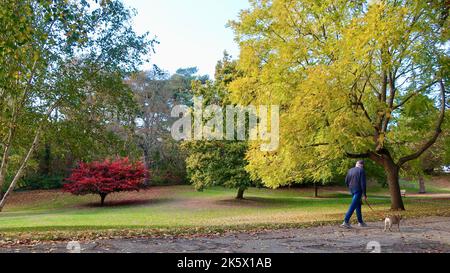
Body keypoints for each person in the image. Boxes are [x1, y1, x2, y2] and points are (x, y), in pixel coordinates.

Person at [341, 160, 368, 229]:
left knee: (358, 205)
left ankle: (360, 222)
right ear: (362, 165)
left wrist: (350, 187)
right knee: (353, 205)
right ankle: (345, 221)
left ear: (356, 164)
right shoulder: (361, 171)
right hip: (358, 190)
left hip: (352, 190)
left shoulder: (350, 170)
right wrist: (364, 194)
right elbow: (363, 184)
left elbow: (346, 181)